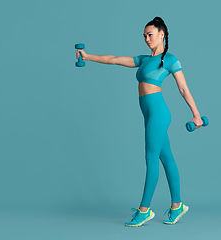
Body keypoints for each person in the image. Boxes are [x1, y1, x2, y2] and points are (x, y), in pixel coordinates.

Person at [76, 16, 203, 227]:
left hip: (159, 114)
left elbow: (183, 88)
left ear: (162, 34)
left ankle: (144, 210)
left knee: (151, 159)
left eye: (150, 35)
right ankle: (177, 205)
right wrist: (87, 56)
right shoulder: (144, 60)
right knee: (166, 158)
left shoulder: (169, 59)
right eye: (144, 36)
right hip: (149, 114)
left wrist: (196, 114)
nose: (146, 39)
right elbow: (113, 59)